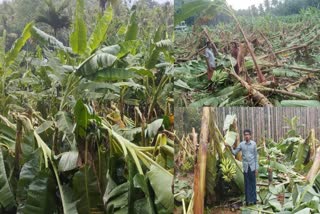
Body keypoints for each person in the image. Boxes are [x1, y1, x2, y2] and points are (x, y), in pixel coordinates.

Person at [226, 129, 258, 206]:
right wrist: (229, 147)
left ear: (250, 136)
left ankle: (253, 200)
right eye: (245, 135)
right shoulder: (241, 144)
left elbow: (256, 157)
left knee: (253, 183)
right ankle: (247, 200)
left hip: (252, 167)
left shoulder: (253, 144)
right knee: (247, 184)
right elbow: (234, 152)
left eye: (248, 134)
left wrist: (256, 168)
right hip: (246, 167)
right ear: (244, 136)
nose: (246, 136)